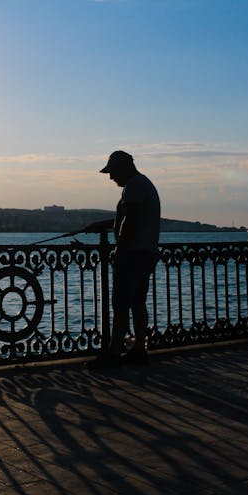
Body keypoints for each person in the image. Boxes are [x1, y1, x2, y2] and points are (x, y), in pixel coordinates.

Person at [88, 150, 160, 368]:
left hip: (133, 253)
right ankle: (139, 349)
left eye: (112, 172)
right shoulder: (142, 184)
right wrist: (102, 225)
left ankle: (114, 352)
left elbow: (131, 220)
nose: (111, 178)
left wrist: (120, 248)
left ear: (123, 168)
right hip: (144, 251)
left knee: (120, 303)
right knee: (137, 302)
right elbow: (126, 217)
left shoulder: (134, 186)